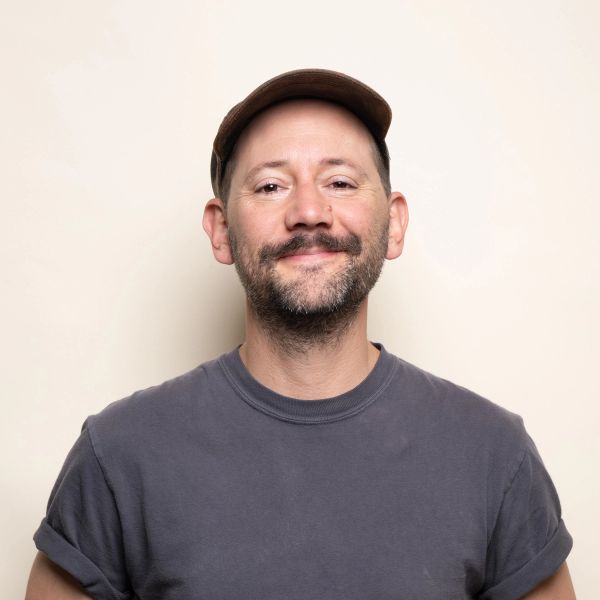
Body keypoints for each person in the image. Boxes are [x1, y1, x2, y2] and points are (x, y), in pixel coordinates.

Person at [26, 69, 575, 599]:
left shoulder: (493, 453)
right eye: (271, 186)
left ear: (394, 223)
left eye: (340, 182)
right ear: (221, 231)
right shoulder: (119, 454)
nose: (310, 211)